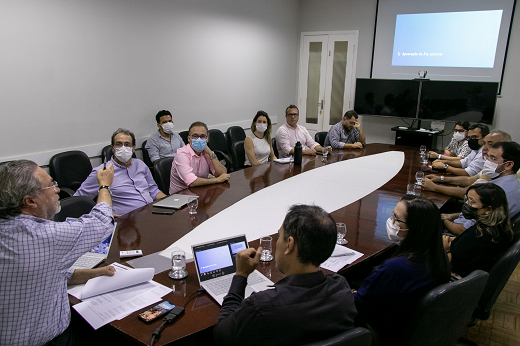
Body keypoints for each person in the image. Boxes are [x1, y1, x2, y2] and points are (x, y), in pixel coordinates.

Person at [0, 160, 117, 346]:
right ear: (30, 201)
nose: (57, 190)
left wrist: (96, 273)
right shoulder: (45, 236)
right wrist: (104, 185)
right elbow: (102, 222)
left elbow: (39, 273)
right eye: (51, 185)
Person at [213, 205, 357, 346]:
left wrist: (241, 274)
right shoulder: (342, 290)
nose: (277, 242)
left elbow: (221, 335)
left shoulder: (262, 307)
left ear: (289, 244)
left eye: (279, 236)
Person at [354, 195, 450, 346]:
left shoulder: (397, 268)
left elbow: (360, 304)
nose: (391, 221)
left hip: (384, 330)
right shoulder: (438, 255)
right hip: (408, 324)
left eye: (396, 219)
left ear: (415, 228)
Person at [75, 128, 167, 216]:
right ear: (113, 148)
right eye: (118, 144)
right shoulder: (103, 172)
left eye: (127, 144)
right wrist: (104, 214)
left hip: (151, 213)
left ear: (133, 148)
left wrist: (169, 201)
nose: (123, 148)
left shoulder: (140, 165)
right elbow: (79, 200)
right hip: (126, 220)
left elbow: (153, 190)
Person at [440, 142, 520, 236]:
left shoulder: (497, 192)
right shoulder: (513, 184)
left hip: (458, 236)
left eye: (493, 158)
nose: (487, 161)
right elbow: (476, 215)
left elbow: (464, 230)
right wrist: (452, 216)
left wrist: (443, 220)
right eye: (488, 157)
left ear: (509, 165)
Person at [444, 184, 514, 277]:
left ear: (488, 209)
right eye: (467, 199)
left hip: (454, 276)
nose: (467, 204)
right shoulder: (499, 228)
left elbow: (448, 263)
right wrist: (453, 241)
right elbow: (465, 246)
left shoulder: (477, 235)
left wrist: (444, 248)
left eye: (471, 201)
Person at [422, 130, 512, 199]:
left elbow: (465, 193)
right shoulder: (491, 166)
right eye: (484, 143)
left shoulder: (499, 173)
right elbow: (468, 180)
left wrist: (434, 187)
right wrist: (440, 178)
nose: (484, 148)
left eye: (491, 144)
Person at [169, 121, 230, 194]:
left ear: (207, 139)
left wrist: (211, 153)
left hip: (200, 193)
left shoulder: (207, 152)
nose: (199, 139)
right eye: (195, 136)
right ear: (189, 138)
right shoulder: (181, 154)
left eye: (202, 136)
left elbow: (222, 174)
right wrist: (217, 180)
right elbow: (192, 182)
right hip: (181, 197)